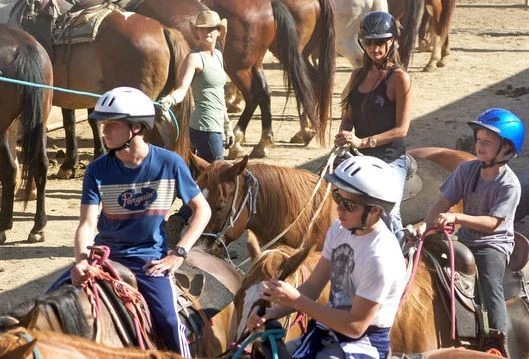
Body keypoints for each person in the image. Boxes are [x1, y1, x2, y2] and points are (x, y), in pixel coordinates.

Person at [70, 87, 212, 355]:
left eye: (112, 124)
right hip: (105, 259)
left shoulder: (170, 164)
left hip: (148, 263)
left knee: (170, 322)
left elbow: (201, 210)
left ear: (136, 127)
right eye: (103, 124)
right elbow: (87, 225)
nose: (104, 131)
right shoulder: (97, 169)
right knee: (49, 305)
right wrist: (80, 261)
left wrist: (178, 253)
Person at [246, 156, 406, 359]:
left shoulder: (380, 258)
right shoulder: (340, 229)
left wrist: (296, 301)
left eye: (349, 205)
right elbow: (313, 286)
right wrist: (273, 312)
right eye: (338, 197)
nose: (339, 208)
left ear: (374, 210)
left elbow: (355, 326)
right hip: (328, 330)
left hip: (362, 344)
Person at [421, 108, 525, 356]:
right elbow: (443, 202)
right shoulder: (467, 170)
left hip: (493, 244)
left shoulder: (509, 184)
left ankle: (497, 341)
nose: (480, 146)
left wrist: (457, 217)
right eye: (479, 139)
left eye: (488, 142)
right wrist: (424, 229)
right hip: (465, 237)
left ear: (507, 150)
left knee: (490, 281)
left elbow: (492, 224)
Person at [334, 11, 412, 244]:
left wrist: (362, 142)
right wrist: (343, 137)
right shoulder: (357, 74)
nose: (374, 48)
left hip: (390, 159)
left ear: (392, 42)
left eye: (380, 42)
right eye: (369, 42)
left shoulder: (399, 78)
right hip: (359, 156)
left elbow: (402, 130)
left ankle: (401, 256)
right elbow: (348, 117)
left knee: (388, 212)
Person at [160, 10, 234, 162]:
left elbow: (219, 94)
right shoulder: (194, 58)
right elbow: (181, 89)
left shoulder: (219, 56)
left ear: (219, 31)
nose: (207, 31)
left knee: (205, 174)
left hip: (217, 125)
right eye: (202, 28)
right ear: (197, 31)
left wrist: (227, 125)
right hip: (204, 126)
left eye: (211, 28)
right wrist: (170, 99)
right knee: (216, 171)